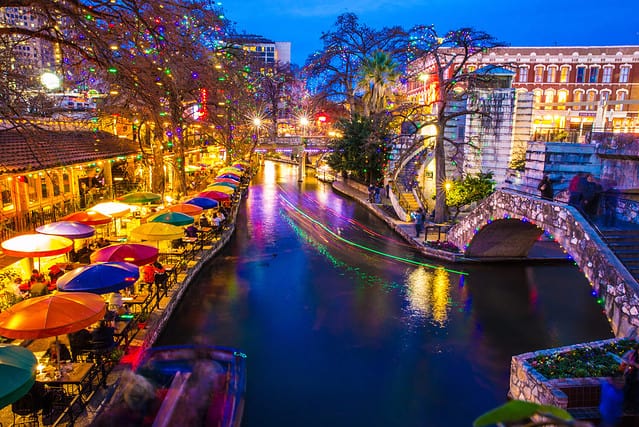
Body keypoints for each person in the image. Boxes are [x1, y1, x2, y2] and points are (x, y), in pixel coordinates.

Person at [621, 343, 639, 413]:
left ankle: (634, 409)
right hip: (629, 375)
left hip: (637, 378)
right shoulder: (631, 353)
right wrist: (632, 363)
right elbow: (624, 360)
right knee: (626, 391)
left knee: (635, 393)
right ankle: (626, 408)